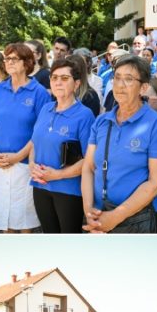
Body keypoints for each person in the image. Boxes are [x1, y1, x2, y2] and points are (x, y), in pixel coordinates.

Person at [80, 55, 157, 233]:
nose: (120, 85)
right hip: (97, 216)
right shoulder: (101, 121)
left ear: (143, 87)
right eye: (117, 77)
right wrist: (88, 211)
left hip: (136, 220)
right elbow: (88, 167)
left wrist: (114, 217)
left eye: (129, 79)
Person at [0, 43, 52, 232]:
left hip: (23, 165)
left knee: (24, 222)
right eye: (6, 58)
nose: (8, 62)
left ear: (27, 62)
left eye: (14, 58)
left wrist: (19, 156)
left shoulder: (39, 93)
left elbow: (40, 133)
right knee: (3, 220)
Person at [29, 58, 96, 233]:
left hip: (68, 190)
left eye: (64, 78)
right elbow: (34, 143)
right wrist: (32, 168)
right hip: (40, 186)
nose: (58, 82)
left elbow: (89, 160)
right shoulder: (45, 109)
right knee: (49, 238)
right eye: (54, 77)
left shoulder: (84, 115)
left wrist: (57, 175)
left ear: (76, 84)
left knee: (68, 242)